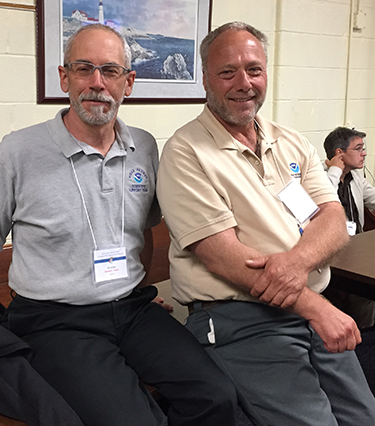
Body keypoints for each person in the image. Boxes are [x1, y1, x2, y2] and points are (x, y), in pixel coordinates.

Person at [0, 24, 238, 426]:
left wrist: (136, 287)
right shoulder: (17, 152)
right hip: (54, 321)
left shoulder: (143, 146)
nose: (96, 83)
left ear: (129, 83)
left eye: (110, 71)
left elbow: (142, 230)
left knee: (217, 396)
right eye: (83, 69)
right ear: (64, 77)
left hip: (132, 311)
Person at [157, 21, 375, 426]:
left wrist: (295, 269)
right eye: (228, 72)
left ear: (266, 74)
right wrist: (315, 306)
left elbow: (332, 218)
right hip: (239, 317)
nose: (244, 83)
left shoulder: (289, 140)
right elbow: (224, 259)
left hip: (307, 302)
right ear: (205, 78)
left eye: (254, 70)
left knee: (364, 417)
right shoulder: (185, 152)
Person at [322, 126, 375, 328]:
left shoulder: (357, 180)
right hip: (333, 256)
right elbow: (323, 199)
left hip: (357, 252)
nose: (364, 153)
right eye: (359, 148)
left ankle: (366, 334)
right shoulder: (321, 179)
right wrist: (335, 170)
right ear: (339, 153)